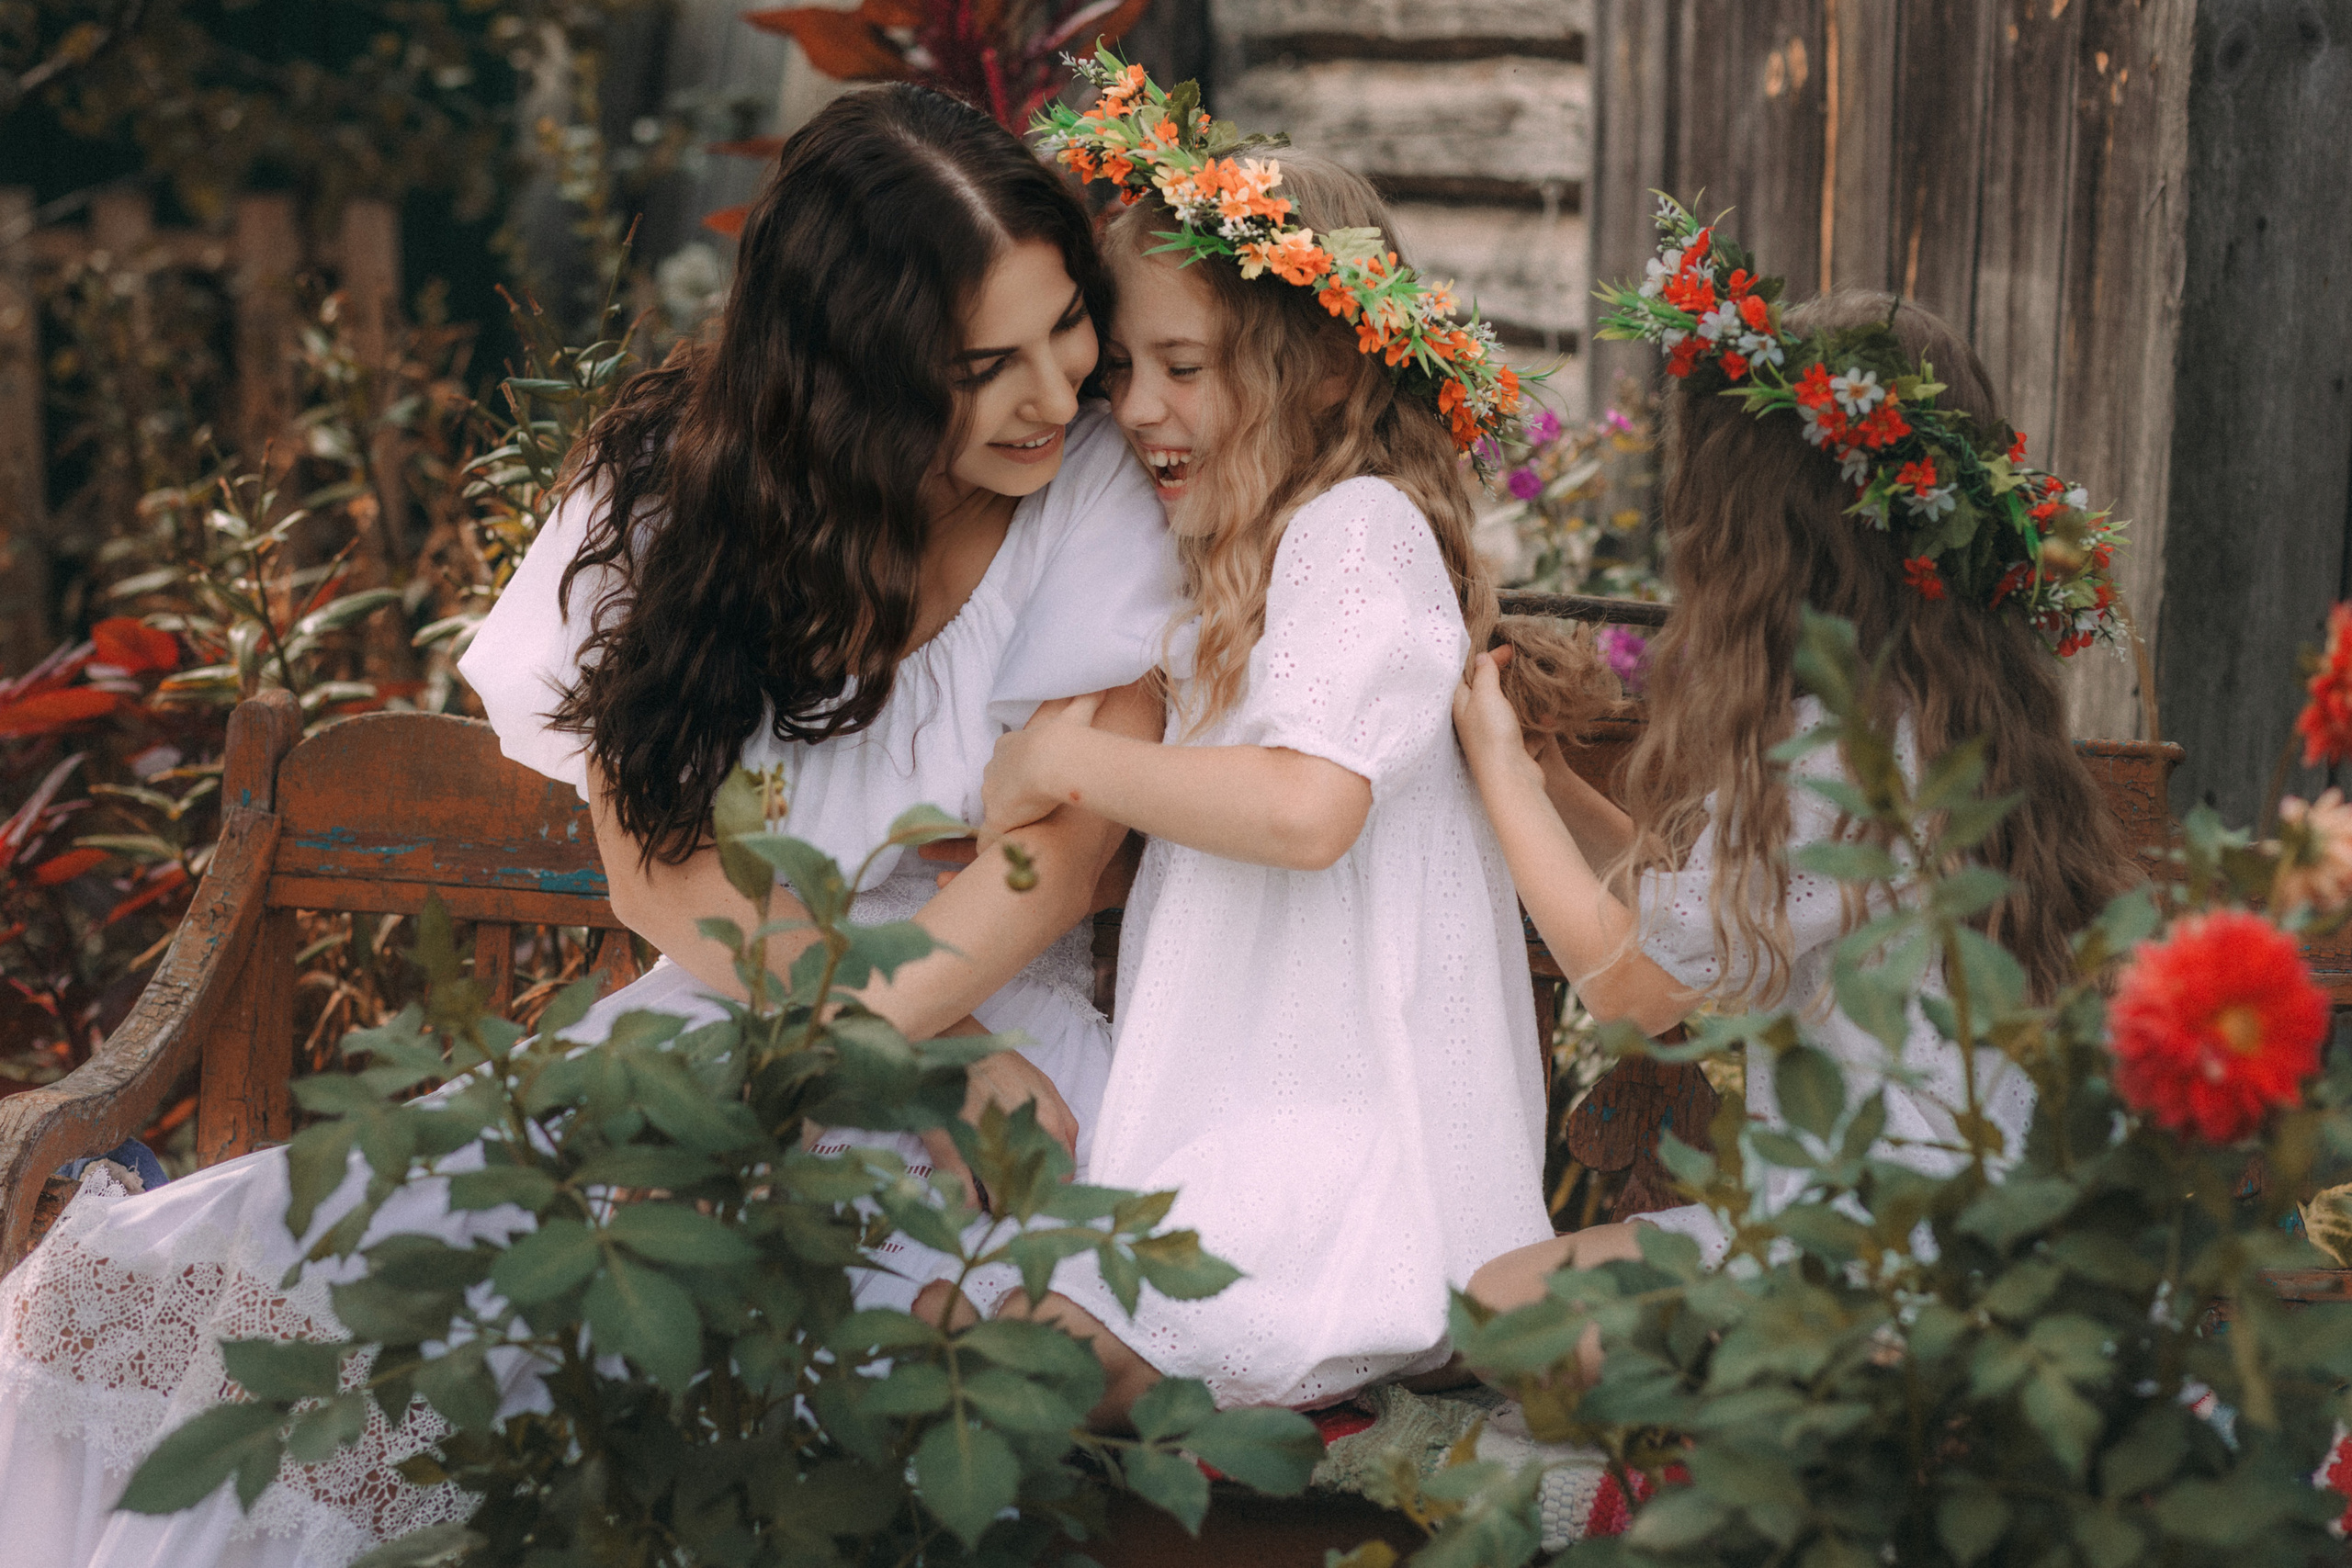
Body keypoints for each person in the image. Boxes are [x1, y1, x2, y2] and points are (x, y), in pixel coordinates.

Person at [0, 84, 1180, 1568]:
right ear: (848, 373)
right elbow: (658, 873)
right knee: (300, 1288)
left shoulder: (1093, 503)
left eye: (1067, 324)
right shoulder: (670, 493)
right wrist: (918, 1050)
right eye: (980, 364)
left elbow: (1055, 866)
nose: (1055, 391)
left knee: (783, 1372)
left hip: (1018, 1081)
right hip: (756, 1023)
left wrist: (928, 1058)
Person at [958, 64, 1603, 1424]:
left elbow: (1310, 810)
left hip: (1344, 1147)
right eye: (1124, 370)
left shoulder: (1355, 530)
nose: (1135, 409)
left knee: (1035, 1362)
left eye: (1184, 368)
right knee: (999, 1332)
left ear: (1319, 374)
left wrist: (1070, 763)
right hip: (1253, 1122)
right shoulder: (1253, 567)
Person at [1455, 201, 2140, 1308]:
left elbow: (1633, 991)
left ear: (1777, 540)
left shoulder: (1840, 756)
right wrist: (1550, 783)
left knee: (1501, 1306)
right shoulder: (1930, 720)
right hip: (1971, 1217)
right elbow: (1720, 927)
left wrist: (1491, 769)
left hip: (1879, 1243)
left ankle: (1828, 1416)